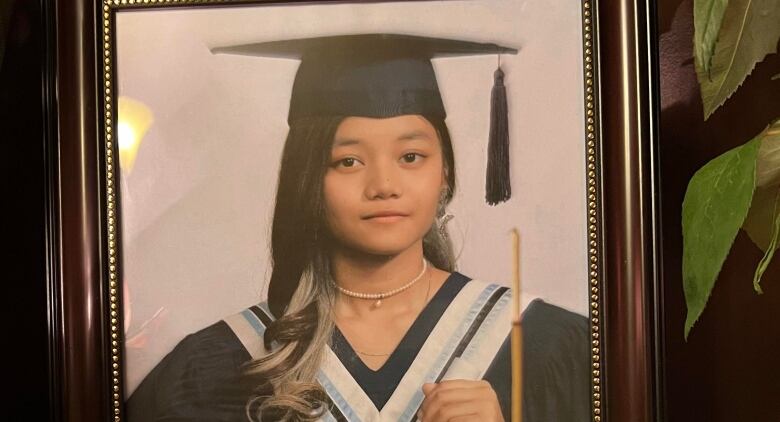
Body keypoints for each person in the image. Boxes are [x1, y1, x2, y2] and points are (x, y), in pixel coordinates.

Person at [126, 34, 589, 422]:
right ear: (306, 179)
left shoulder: (547, 347)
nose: (384, 186)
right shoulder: (218, 366)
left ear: (444, 171)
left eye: (411, 157)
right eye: (347, 161)